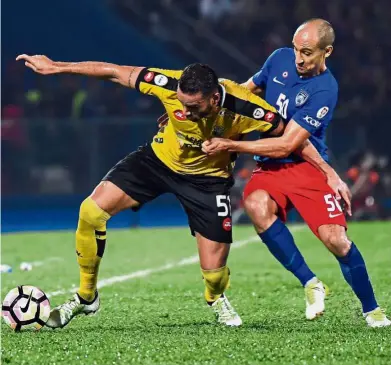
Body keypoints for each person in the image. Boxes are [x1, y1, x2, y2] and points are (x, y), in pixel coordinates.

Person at [201, 18, 390, 327]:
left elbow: (288, 144)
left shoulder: (325, 90)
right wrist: (210, 105)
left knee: (338, 242)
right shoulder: (279, 59)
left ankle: (372, 310)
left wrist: (228, 144)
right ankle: (310, 282)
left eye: (307, 52)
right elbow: (244, 91)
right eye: (295, 49)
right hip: (270, 168)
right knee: (256, 205)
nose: (298, 59)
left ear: (326, 52)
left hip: (306, 167)